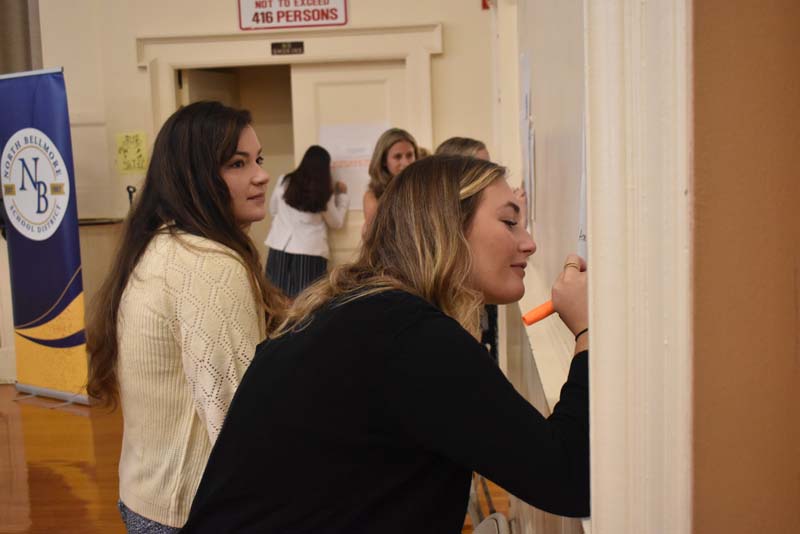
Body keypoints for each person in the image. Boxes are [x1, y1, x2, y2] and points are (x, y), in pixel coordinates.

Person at [181, 155, 589, 533]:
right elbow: (568, 478)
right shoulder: (414, 339)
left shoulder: (360, 312)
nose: (529, 243)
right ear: (447, 227)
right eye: (509, 222)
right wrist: (586, 329)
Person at [86, 101, 286, 533]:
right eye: (237, 164)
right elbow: (238, 415)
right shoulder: (207, 264)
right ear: (195, 176)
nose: (261, 175)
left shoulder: (165, 242)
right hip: (188, 510)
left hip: (149, 498)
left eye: (258, 159)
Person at [264, 145, 349, 299]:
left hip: (279, 247)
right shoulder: (324, 191)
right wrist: (342, 196)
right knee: (307, 302)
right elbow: (336, 223)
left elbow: (273, 209)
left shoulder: (284, 181)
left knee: (275, 299)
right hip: (309, 252)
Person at [362, 127, 418, 232]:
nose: (406, 163)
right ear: (383, 161)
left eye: (410, 155)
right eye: (397, 157)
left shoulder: (422, 188)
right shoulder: (373, 197)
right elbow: (374, 237)